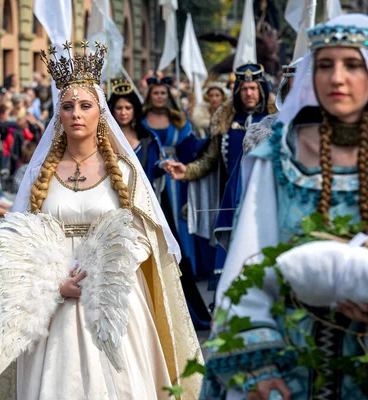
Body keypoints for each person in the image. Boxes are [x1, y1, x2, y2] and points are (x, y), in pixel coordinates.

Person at [0, 41, 203, 400]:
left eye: (85, 105)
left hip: (114, 295)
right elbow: (22, 240)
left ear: (101, 112)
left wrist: (104, 271)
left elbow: (143, 234)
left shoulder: (125, 171)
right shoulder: (40, 174)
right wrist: (52, 283)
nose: (76, 113)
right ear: (58, 116)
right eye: (68, 106)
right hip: (53, 298)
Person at [202, 14, 368, 400]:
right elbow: (247, 268)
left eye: (352, 65)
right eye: (325, 65)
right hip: (288, 367)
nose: (337, 78)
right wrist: (260, 367)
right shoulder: (280, 158)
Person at [163, 64, 276, 290]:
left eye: (253, 88)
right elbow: (210, 160)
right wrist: (187, 171)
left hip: (267, 202)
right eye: (244, 89)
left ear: (262, 90)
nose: (249, 93)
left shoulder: (275, 120)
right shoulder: (225, 122)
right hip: (231, 205)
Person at [142, 75, 212, 329]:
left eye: (163, 93)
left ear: (168, 96)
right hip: (150, 181)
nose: (159, 97)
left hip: (175, 184)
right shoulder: (139, 122)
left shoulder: (178, 121)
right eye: (155, 93)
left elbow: (191, 151)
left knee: (178, 235)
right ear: (149, 96)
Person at [108, 79, 161, 183]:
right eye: (119, 108)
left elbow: (154, 170)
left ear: (135, 110)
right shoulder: (103, 137)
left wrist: (165, 165)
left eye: (128, 108)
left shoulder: (147, 138)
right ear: (112, 110)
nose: (123, 112)